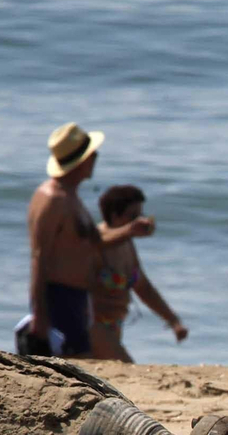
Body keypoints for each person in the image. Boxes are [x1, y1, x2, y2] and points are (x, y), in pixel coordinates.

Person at [16, 123, 151, 357]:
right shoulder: (52, 200)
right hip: (58, 299)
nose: (96, 158)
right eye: (93, 154)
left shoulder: (71, 197)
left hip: (77, 299)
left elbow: (93, 242)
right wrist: (39, 315)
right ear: (82, 161)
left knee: (79, 365)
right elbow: (39, 259)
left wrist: (130, 231)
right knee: (73, 367)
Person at [88, 184, 189, 361]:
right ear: (115, 216)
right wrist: (129, 230)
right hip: (91, 326)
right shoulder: (97, 240)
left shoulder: (127, 245)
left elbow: (143, 288)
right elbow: (96, 243)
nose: (139, 220)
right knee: (127, 369)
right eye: (133, 216)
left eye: (141, 215)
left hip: (115, 326)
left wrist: (173, 321)